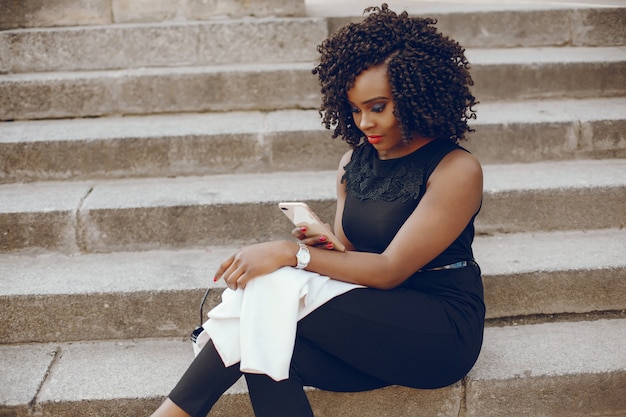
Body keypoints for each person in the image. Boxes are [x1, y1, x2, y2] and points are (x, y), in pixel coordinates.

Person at [151, 3, 484, 416]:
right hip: (367, 321)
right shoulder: (353, 164)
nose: (364, 122)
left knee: (271, 293)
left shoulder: (456, 169)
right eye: (355, 109)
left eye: (378, 107)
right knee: (266, 340)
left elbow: (389, 270)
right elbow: (350, 254)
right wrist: (325, 243)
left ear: (419, 95)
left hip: (437, 331)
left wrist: (293, 255)